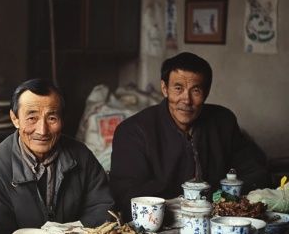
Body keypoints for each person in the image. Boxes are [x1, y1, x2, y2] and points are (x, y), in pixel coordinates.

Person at [110, 52, 270, 221]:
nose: (186, 100)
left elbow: (256, 172)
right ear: (164, 89)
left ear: (206, 92)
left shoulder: (223, 122)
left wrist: (224, 198)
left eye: (196, 90)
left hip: (219, 220)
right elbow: (127, 195)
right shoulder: (133, 131)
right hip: (159, 226)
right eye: (178, 88)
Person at [0, 79, 115, 234]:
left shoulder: (81, 156)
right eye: (32, 118)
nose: (42, 130)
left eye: (52, 118)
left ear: (62, 119)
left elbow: (103, 208)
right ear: (15, 118)